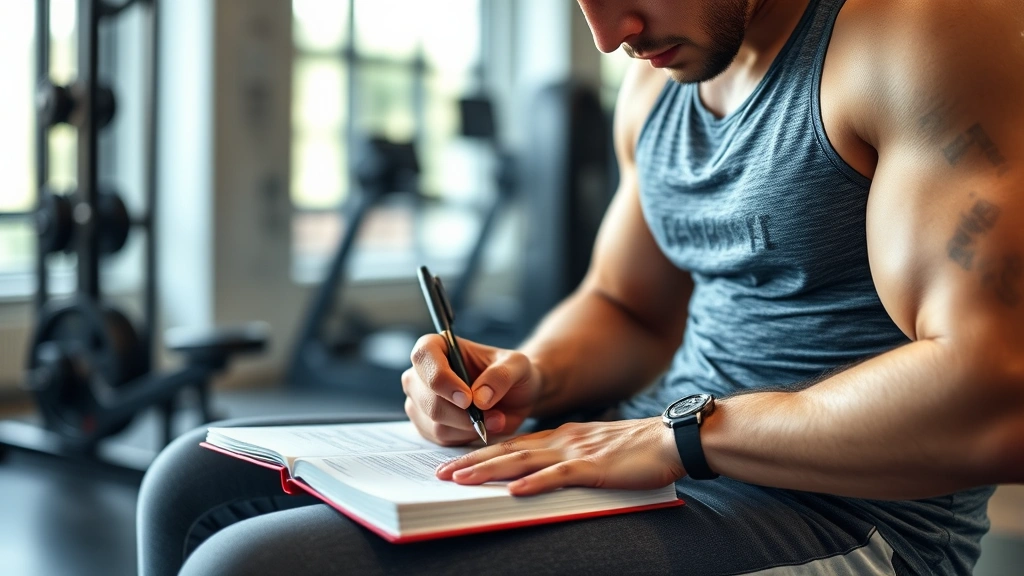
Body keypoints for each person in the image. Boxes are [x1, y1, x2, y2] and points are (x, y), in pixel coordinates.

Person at [137, 1, 1024, 574]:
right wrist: (529, 372)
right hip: (664, 450)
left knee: (251, 567)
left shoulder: (920, 30)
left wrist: (682, 438)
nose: (608, 33)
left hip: (844, 517)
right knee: (190, 479)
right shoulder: (661, 77)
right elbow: (626, 303)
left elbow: (996, 394)